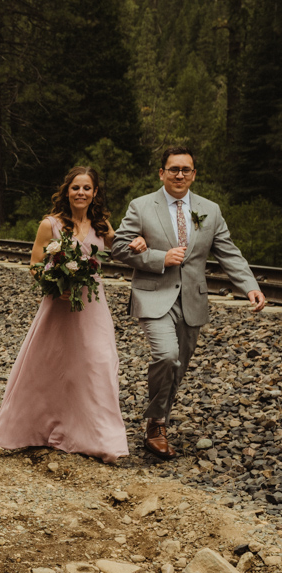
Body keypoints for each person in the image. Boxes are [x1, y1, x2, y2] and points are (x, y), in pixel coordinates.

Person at [112, 147, 265, 459]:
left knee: (178, 366)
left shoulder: (210, 209)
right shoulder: (141, 207)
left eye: (185, 169)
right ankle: (155, 425)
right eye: (173, 169)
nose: (179, 175)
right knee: (166, 356)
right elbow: (118, 248)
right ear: (161, 173)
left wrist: (249, 285)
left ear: (194, 174)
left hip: (192, 299)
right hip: (153, 295)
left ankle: (159, 418)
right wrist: (158, 257)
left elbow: (228, 252)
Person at [0, 166, 128, 463]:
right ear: (67, 192)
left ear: (95, 193)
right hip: (58, 304)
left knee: (99, 362)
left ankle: (103, 439)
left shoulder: (102, 226)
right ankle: (38, 429)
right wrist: (53, 283)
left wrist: (139, 243)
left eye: (87, 188)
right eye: (75, 188)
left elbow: (122, 249)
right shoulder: (50, 224)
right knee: (50, 364)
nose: (81, 193)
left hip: (92, 305)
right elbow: (36, 264)